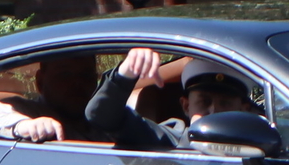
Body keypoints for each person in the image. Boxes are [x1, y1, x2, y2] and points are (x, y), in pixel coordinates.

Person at [85, 47, 260, 150]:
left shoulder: (262, 145)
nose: (213, 111)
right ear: (186, 106)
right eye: (204, 102)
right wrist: (127, 72)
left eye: (225, 103)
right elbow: (100, 115)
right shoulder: (168, 140)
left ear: (243, 109)